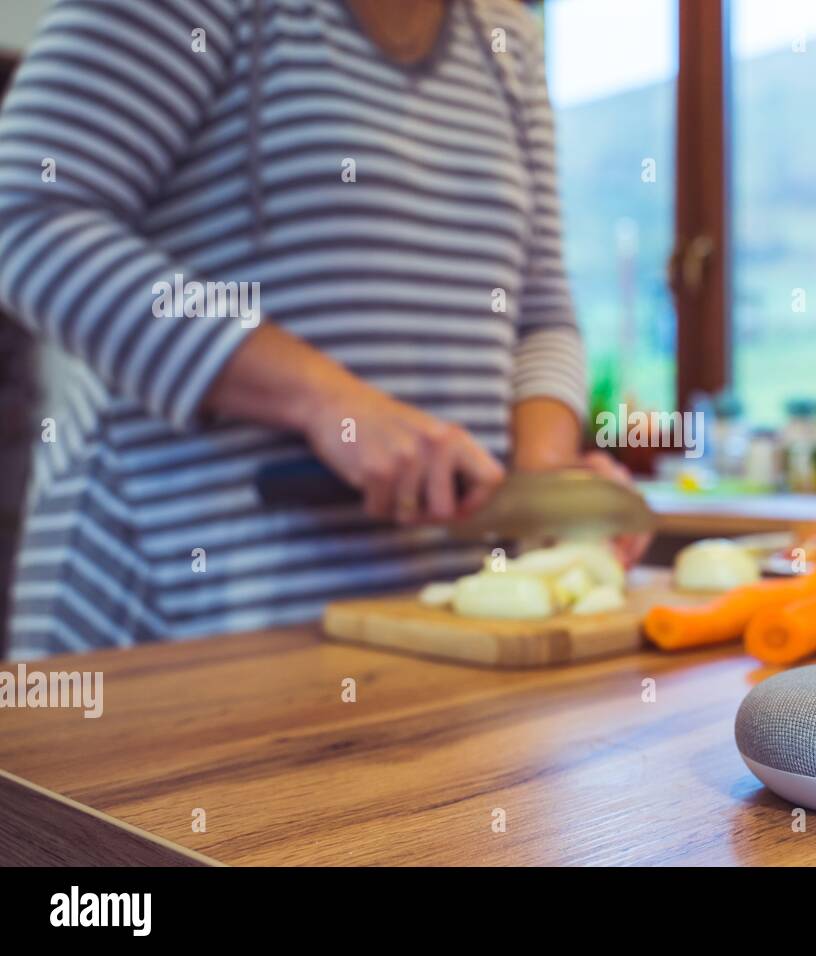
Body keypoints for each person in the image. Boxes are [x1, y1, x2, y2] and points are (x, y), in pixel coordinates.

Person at [0, 0, 641, 658]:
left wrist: (545, 489)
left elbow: (541, 314)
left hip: (426, 623)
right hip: (171, 609)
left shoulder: (510, 38)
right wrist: (327, 402)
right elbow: (24, 214)